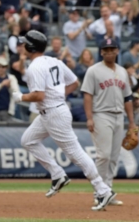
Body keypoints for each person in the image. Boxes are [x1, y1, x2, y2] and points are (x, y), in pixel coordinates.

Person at [12, 30, 116, 212]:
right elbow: (74, 82)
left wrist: (20, 97)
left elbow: (39, 95)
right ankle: (58, 174)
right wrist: (58, 95)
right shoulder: (54, 61)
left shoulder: (35, 67)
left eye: (24, 43)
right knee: (27, 140)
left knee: (75, 153)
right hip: (51, 111)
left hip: (53, 113)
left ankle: (103, 189)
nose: (22, 46)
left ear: (30, 46)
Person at [80, 38, 136, 207]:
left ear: (117, 51)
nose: (109, 52)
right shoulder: (93, 70)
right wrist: (89, 117)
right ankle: (99, 192)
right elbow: (87, 95)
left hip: (119, 116)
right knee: (103, 155)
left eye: (112, 49)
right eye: (106, 49)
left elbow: (128, 97)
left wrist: (132, 122)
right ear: (101, 52)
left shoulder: (123, 71)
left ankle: (108, 192)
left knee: (113, 157)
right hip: (101, 115)